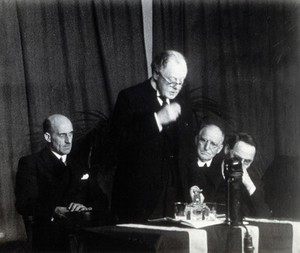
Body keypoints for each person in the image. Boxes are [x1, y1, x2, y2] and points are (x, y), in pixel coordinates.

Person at [110, 50, 194, 223]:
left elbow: (186, 151)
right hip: (139, 198)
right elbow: (117, 144)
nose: (176, 87)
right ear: (156, 73)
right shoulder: (129, 97)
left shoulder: (182, 103)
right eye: (172, 81)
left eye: (181, 82)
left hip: (174, 197)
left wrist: (189, 186)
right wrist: (157, 120)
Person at [15, 114, 108, 252]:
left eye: (70, 134)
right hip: (51, 237)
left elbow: (101, 200)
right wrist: (54, 210)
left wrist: (86, 208)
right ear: (48, 137)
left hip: (83, 234)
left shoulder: (79, 164)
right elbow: (24, 203)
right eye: (62, 135)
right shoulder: (31, 163)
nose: (68, 141)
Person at [219, 132, 270, 217]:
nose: (241, 165)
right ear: (227, 149)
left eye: (247, 161)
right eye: (237, 158)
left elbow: (264, 216)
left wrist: (249, 185)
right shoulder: (210, 169)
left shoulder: (254, 182)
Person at [189, 121, 225, 203]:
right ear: (196, 140)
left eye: (213, 144)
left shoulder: (222, 171)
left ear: (219, 149)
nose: (206, 147)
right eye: (203, 140)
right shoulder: (182, 166)